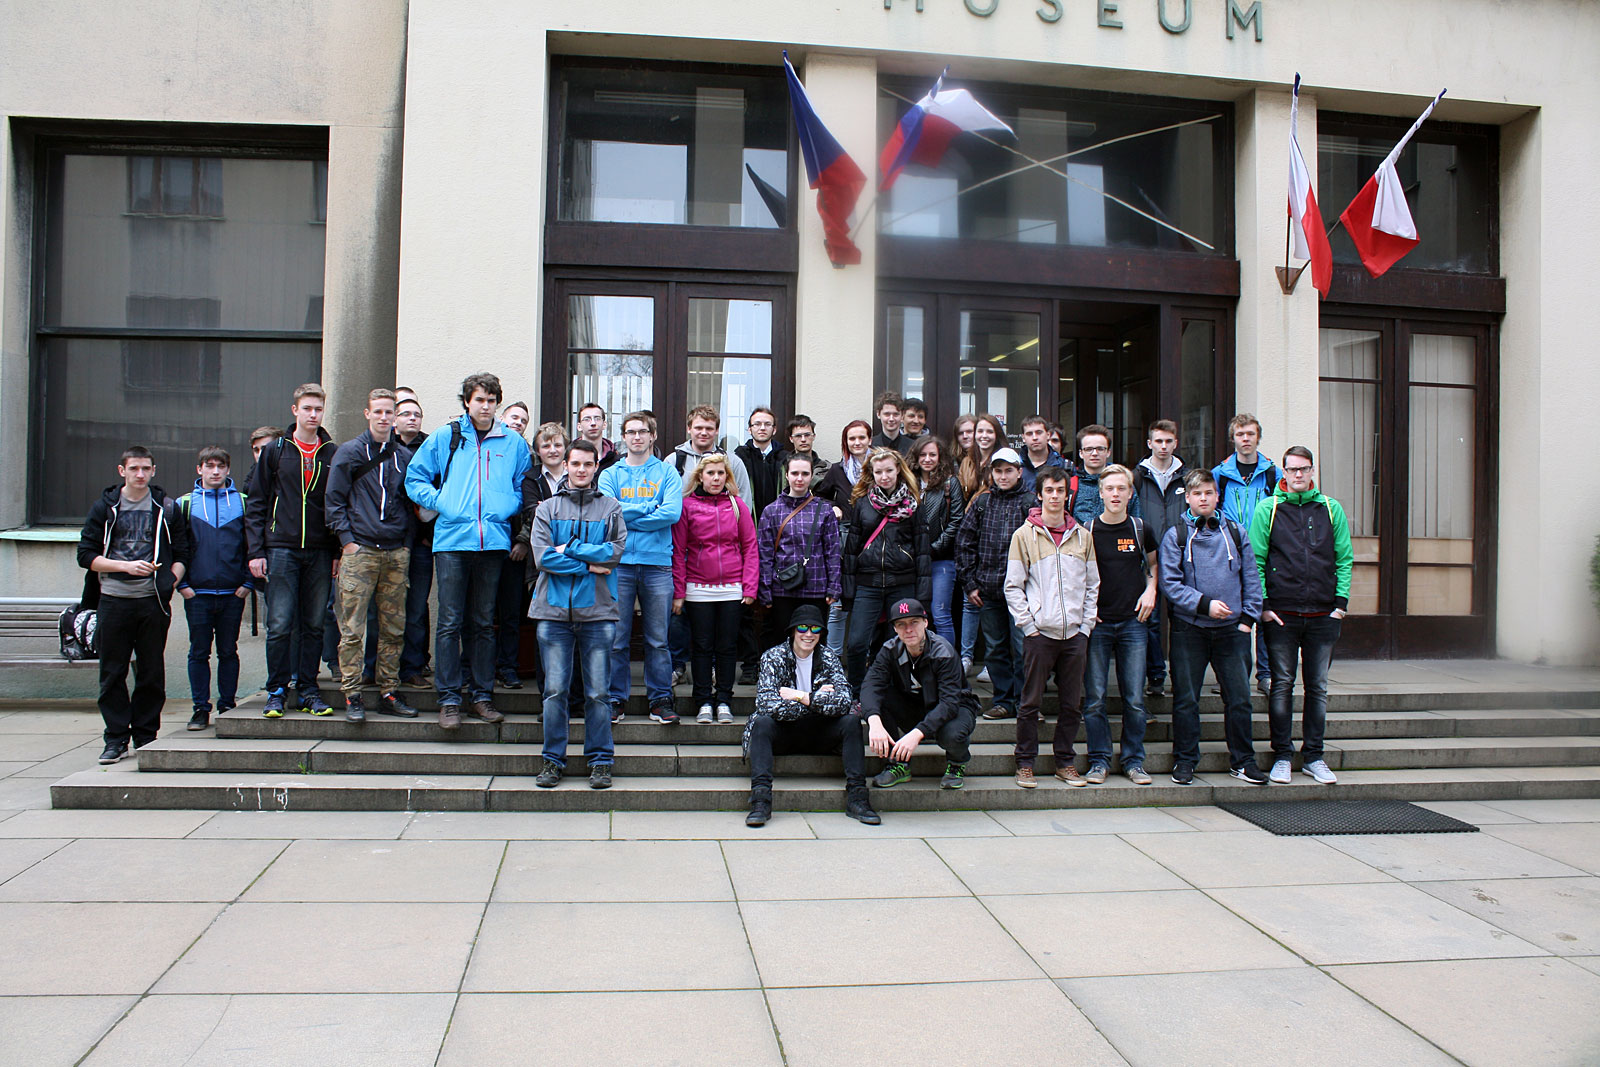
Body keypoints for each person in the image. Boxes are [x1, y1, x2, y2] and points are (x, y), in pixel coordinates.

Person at [404, 372, 532, 730]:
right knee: (449, 622)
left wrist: (506, 506)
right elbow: (415, 479)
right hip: (452, 542)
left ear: (497, 403)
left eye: (491, 400)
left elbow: (523, 485)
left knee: (483, 623)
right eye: (479, 400)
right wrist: (442, 502)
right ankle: (448, 699)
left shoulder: (513, 443)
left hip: (493, 542)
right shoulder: (446, 436)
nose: (485, 406)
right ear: (467, 402)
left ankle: (481, 696)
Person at [79, 446, 191, 764]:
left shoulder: (166, 507)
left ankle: (145, 736)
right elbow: (85, 555)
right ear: (122, 471)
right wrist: (125, 567)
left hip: (152, 601)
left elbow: (183, 552)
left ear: (153, 471)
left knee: (151, 672)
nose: (140, 474)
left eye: (145, 469)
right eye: (134, 469)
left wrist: (170, 580)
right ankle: (115, 738)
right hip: (113, 600)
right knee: (112, 673)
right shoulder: (105, 507)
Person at [1250, 446, 1352, 786]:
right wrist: (1264, 605)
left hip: (1323, 613)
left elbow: (1344, 558)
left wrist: (1340, 605)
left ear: (1312, 471)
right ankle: (1282, 756)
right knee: (1281, 685)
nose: (1298, 474)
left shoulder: (1331, 509)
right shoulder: (1269, 509)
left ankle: (1314, 757)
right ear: (1283, 471)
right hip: (1282, 613)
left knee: (1317, 688)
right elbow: (1256, 559)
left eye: (1304, 469)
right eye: (1292, 469)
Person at [529, 439, 627, 789]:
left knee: (598, 693)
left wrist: (569, 548)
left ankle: (600, 761)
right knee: (555, 692)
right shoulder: (547, 509)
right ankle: (552, 760)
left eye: (588, 464)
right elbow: (543, 558)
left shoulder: (611, 508)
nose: (582, 470)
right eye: (576, 464)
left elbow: (613, 554)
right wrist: (588, 563)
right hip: (553, 613)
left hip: (598, 612)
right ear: (566, 466)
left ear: (596, 466)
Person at [1159, 468, 1266, 785]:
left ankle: (1244, 761)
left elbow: (1252, 579)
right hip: (1189, 630)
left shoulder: (1236, 533)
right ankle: (1185, 760)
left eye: (1208, 493)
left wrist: (1248, 619)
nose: (1203, 498)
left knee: (1239, 698)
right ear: (1188, 499)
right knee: (1186, 699)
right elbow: (1170, 584)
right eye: (1197, 494)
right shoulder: (1175, 536)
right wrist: (1204, 604)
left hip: (1232, 631)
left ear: (1217, 496)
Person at [324, 388, 419, 723]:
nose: (383, 417)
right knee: (352, 629)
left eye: (388, 412)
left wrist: (406, 544)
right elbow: (333, 501)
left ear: (395, 417)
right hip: (360, 551)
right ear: (367, 413)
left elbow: (411, 503)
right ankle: (352, 694)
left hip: (395, 553)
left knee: (394, 628)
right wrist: (347, 541)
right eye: (377, 411)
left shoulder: (403, 456)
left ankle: (389, 691)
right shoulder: (349, 452)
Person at [245, 383, 339, 717]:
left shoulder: (331, 452)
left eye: (318, 409)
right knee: (280, 624)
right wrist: (256, 551)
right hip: (281, 548)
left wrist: (336, 552)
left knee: (314, 624)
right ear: (295, 410)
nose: (313, 415)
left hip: (320, 551)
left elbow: (336, 504)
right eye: (307, 408)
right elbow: (257, 503)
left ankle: (309, 690)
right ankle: (277, 690)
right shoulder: (276, 450)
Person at [1004, 465, 1098, 788]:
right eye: (1049, 491)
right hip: (1040, 634)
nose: (1055, 496)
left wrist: (1085, 625)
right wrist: (1028, 625)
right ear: (1040, 494)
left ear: (1067, 495)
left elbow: (1092, 585)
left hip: (1074, 634)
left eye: (1060, 491)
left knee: (1072, 704)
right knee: (1030, 702)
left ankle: (1065, 762)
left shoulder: (1083, 536)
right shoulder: (1024, 536)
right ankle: (1025, 763)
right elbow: (1013, 586)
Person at [745, 604, 877, 826]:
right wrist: (819, 701)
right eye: (802, 628)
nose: (808, 634)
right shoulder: (773, 657)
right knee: (762, 723)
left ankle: (858, 797)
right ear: (792, 631)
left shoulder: (829, 657)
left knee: (851, 722)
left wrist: (802, 696)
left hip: (820, 730)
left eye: (815, 629)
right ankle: (760, 799)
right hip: (785, 731)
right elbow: (766, 704)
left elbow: (845, 701)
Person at [596, 410, 683, 724]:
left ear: (652, 436)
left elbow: (671, 513)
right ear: (623, 437)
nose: (637, 437)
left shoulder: (667, 473)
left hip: (657, 564)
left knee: (658, 639)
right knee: (616, 638)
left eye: (642, 431)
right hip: (619, 565)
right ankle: (615, 699)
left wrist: (628, 517)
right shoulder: (609, 474)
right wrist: (648, 507)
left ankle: (660, 700)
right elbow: (608, 513)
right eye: (631, 432)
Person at [1081, 464, 1158, 785]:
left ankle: (1133, 761)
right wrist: (1087, 610)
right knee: (1095, 699)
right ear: (1100, 493)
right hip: (1098, 624)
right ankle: (1098, 761)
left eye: (1121, 488)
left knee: (1135, 699)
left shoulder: (1141, 528)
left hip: (1133, 623)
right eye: (1109, 489)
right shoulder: (1087, 531)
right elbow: (1076, 575)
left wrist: (1151, 590)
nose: (1115, 494)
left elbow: (1153, 565)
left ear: (1130, 493)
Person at [673, 453, 758, 724]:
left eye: (721, 473)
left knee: (727, 647)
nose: (716, 478)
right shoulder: (687, 506)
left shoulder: (737, 505)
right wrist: (679, 592)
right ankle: (703, 702)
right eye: (711, 473)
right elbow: (678, 551)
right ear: (700, 476)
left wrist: (750, 587)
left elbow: (750, 546)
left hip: (732, 587)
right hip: (697, 587)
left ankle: (723, 700)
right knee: (701, 647)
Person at [860, 598, 979, 790]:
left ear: (925, 623)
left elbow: (949, 703)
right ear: (895, 629)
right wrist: (873, 721)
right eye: (901, 624)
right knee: (880, 700)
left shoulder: (943, 652)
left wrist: (916, 734)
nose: (908, 630)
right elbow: (870, 685)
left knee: (953, 734)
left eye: (914, 622)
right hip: (915, 704)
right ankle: (897, 763)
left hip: (954, 708)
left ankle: (957, 764)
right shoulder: (890, 650)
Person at [956, 447, 1037, 721]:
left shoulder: (1030, 503)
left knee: (1024, 648)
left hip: (1024, 593)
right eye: (998, 471)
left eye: (1008, 471)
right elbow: (964, 543)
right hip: (989, 590)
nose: (1003, 476)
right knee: (995, 649)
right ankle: (1003, 700)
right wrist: (970, 583)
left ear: (1019, 472)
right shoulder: (982, 502)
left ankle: (1027, 703)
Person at [840, 448, 931, 689]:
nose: (884, 476)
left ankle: (891, 692)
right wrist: (847, 591)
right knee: (857, 643)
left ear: (898, 470)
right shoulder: (863, 503)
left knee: (898, 645)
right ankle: (857, 692)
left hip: (902, 583)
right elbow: (852, 549)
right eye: (878, 472)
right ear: (872, 473)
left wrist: (923, 595)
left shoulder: (914, 504)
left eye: (889, 470)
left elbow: (922, 551)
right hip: (867, 583)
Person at [176, 446, 253, 731]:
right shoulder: (184, 504)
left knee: (228, 651)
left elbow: (253, 545)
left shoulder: (243, 502)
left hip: (233, 593)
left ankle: (227, 706)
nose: (216, 471)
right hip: (197, 594)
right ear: (200, 469)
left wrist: (247, 583)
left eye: (221, 466)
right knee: (199, 652)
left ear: (228, 469)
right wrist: (183, 585)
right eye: (209, 466)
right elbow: (176, 548)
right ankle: (200, 709)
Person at [1213, 413, 1279, 696]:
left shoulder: (1272, 473)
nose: (1246, 439)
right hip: (1230, 552)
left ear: (1258, 437)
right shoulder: (1220, 474)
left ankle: (1266, 675)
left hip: (1264, 552)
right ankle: (1232, 678)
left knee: (1263, 611)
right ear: (1233, 438)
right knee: (1231, 617)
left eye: (1251, 434)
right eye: (1240, 434)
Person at [758, 453, 841, 647]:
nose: (799, 478)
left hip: (817, 589)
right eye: (795, 473)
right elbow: (764, 555)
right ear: (787, 475)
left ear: (812, 476)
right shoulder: (772, 511)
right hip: (782, 590)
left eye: (805, 473)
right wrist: (765, 590)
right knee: (783, 645)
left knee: (814, 644)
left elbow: (833, 553)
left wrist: (834, 587)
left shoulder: (824, 510)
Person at [1132, 419, 1186, 697]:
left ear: (1175, 443)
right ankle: (1155, 677)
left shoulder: (1186, 476)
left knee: (1181, 621)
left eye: (1168, 441)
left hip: (1180, 560)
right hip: (1147, 558)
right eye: (1158, 441)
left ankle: (1181, 677)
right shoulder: (1137, 476)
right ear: (1149, 443)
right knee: (1149, 620)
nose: (1163, 446)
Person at [733, 406, 784, 682]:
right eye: (757, 424)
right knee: (745, 605)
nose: (762, 428)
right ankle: (750, 664)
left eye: (767, 424)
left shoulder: (785, 458)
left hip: (780, 540)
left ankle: (773, 665)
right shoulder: (739, 457)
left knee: (773, 605)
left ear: (774, 429)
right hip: (746, 536)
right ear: (749, 428)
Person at [815, 419, 872, 658]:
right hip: (845, 543)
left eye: (861, 437)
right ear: (845, 442)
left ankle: (866, 659)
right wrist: (833, 507)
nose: (857, 442)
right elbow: (818, 497)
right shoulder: (837, 470)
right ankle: (833, 661)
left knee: (869, 606)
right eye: (852, 438)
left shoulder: (880, 467)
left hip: (873, 542)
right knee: (838, 606)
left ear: (870, 439)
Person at [955, 413, 1003, 675]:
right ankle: (966, 657)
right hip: (971, 530)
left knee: (995, 604)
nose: (983, 436)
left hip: (995, 530)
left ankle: (992, 664)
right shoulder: (967, 461)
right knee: (969, 600)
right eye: (979, 432)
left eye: (989, 431)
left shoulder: (1002, 459)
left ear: (997, 435)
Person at [493, 401, 535, 689]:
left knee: (511, 611)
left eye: (523, 420)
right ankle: (475, 667)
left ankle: (507, 667)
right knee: (479, 611)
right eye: (514, 417)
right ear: (501, 419)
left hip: (515, 547)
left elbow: (533, 506)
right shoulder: (485, 450)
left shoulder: (530, 457)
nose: (518, 423)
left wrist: (522, 541)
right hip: (484, 543)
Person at [393, 395, 434, 687]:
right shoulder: (383, 448)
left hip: (421, 542)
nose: (412, 418)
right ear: (395, 420)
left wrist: (429, 537)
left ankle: (414, 666)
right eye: (405, 414)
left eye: (416, 414)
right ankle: (377, 667)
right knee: (383, 609)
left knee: (417, 608)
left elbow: (440, 491)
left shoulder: (430, 448)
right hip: (389, 541)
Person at [913, 435, 965, 643]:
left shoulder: (950, 483)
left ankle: (946, 660)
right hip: (913, 560)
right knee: (914, 615)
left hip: (941, 559)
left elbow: (956, 521)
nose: (927, 459)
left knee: (940, 614)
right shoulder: (908, 482)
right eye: (923, 455)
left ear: (940, 457)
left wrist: (933, 548)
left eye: (932, 455)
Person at [672, 405, 753, 500]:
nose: (703, 433)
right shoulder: (673, 461)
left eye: (709, 429)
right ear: (689, 429)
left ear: (717, 430)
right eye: (698, 428)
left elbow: (744, 500)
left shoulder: (733, 462)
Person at [1070, 423, 1143, 527]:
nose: (1094, 453)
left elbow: (1135, 520)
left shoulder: (1122, 482)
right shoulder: (1072, 486)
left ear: (1108, 452)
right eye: (1089, 449)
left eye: (1100, 449)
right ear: (1081, 453)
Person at [1017, 414, 1063, 493]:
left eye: (1039, 432)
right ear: (1023, 438)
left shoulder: (1064, 466)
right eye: (1029, 434)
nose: (1035, 437)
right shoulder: (1015, 466)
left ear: (1048, 435)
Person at [779, 414, 830, 481]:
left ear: (813, 436)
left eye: (807, 435)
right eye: (798, 436)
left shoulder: (825, 469)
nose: (803, 439)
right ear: (791, 439)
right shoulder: (780, 467)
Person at [576, 402, 620, 471]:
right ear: (579, 426)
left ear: (604, 424)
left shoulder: (615, 459)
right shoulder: (569, 456)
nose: (593, 423)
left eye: (597, 418)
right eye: (587, 419)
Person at [870, 391, 914, 457]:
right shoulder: (870, 446)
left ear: (902, 415)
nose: (891, 419)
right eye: (887, 414)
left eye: (896, 414)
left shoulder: (912, 447)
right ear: (878, 414)